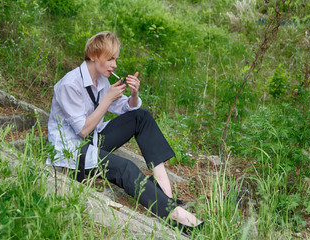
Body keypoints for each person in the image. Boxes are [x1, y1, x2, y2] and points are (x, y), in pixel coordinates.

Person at [47, 31, 204, 234]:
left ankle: (166, 194)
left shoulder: (101, 80)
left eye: (116, 59)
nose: (115, 65)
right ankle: (175, 216)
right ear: (94, 56)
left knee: (141, 116)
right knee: (125, 167)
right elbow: (83, 130)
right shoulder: (69, 85)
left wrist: (134, 93)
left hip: (94, 140)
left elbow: (125, 108)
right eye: (110, 59)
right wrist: (107, 99)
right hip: (71, 151)